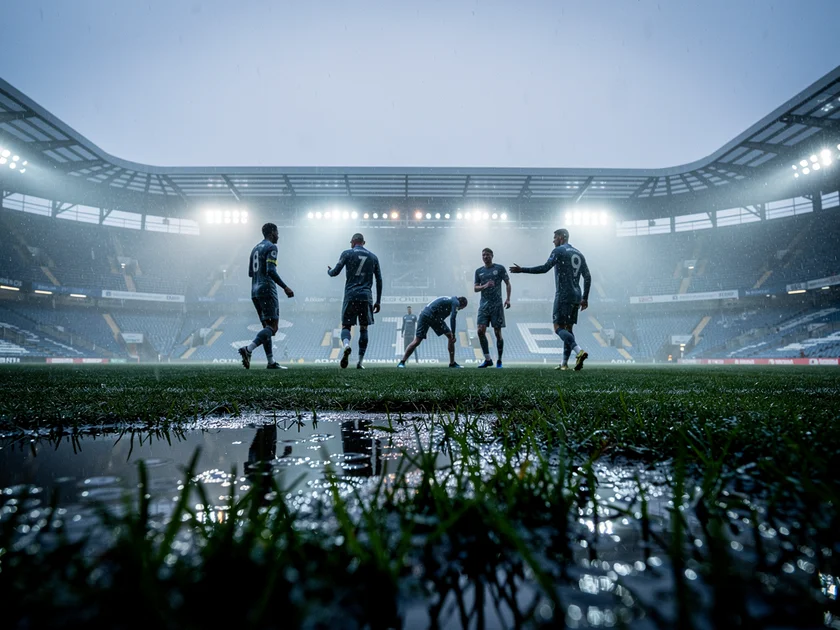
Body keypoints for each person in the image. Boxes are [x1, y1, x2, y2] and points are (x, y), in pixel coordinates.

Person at [510, 228, 591, 370]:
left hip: (564, 294)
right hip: (576, 295)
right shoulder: (579, 253)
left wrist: (522, 269)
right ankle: (564, 363)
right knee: (568, 329)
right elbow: (588, 277)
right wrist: (585, 298)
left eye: (554, 238)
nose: (553, 241)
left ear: (561, 237)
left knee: (558, 328)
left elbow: (544, 268)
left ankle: (579, 351)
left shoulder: (559, 251)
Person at [239, 222, 294, 369]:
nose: (278, 236)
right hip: (267, 289)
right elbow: (271, 270)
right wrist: (285, 287)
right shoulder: (272, 247)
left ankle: (270, 362)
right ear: (272, 233)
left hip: (255, 290)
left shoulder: (255, 249)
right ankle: (248, 349)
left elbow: (251, 273)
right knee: (273, 328)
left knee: (266, 327)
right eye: (277, 232)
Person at [328, 233, 383, 369]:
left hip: (351, 295)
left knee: (346, 326)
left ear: (353, 242)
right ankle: (360, 361)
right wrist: (378, 301)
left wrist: (329, 271)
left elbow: (335, 272)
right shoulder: (373, 257)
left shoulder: (347, 253)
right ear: (363, 242)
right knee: (363, 328)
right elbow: (379, 280)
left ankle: (346, 345)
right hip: (366, 296)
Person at [398, 296, 468, 368]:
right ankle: (452, 363)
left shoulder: (449, 299)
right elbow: (453, 318)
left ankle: (402, 362)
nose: (460, 309)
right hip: (433, 316)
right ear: (461, 303)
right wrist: (453, 333)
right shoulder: (456, 302)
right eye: (462, 308)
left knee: (417, 341)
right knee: (450, 337)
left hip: (424, 315)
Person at [474, 248, 511, 368]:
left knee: (497, 332)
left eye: (487, 255)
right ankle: (488, 359)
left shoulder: (499, 268)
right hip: (484, 305)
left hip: (496, 305)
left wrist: (508, 298)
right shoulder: (479, 271)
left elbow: (507, 283)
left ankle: (499, 360)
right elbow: (475, 288)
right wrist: (485, 285)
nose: (485, 257)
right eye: (483, 255)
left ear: (492, 256)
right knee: (480, 331)